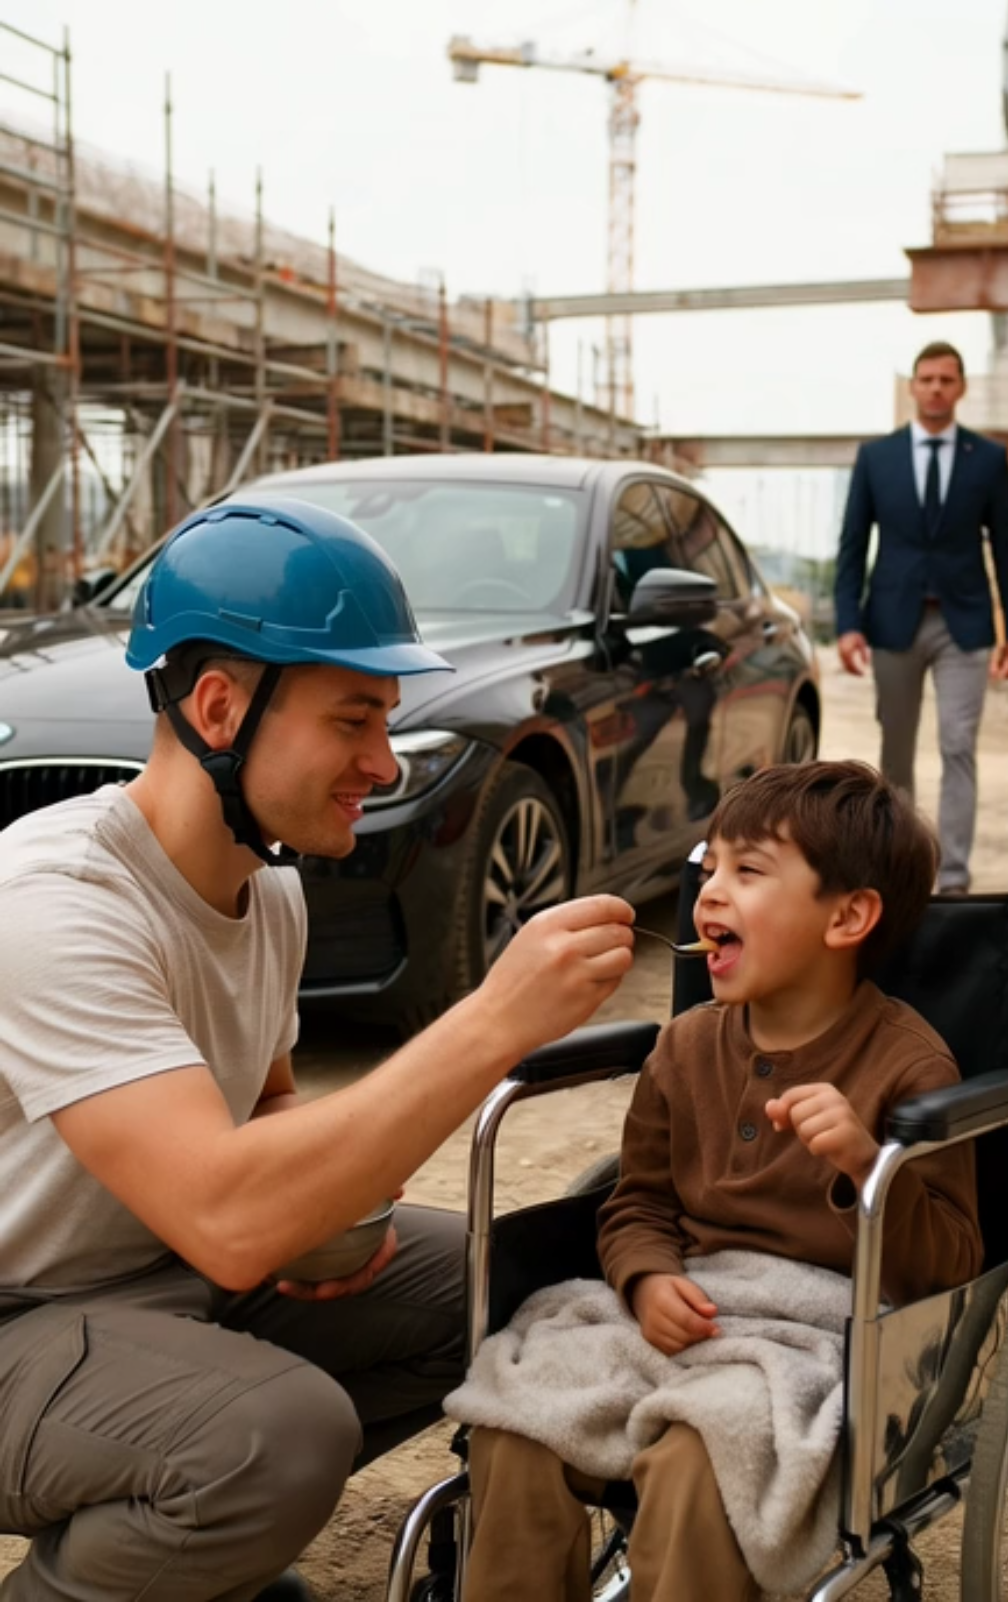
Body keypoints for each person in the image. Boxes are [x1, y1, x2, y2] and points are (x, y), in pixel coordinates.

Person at [0, 497, 635, 1601]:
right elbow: (229, 1219)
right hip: (21, 1318)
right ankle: (177, 1526)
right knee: (277, 1440)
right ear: (217, 707)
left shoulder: (270, 891)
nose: (383, 764)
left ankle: (194, 1555)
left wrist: (321, 1202)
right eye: (354, 721)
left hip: (171, 1278)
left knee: (519, 1286)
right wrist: (498, 1019)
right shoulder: (58, 901)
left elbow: (272, 1107)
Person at [453, 760, 983, 1602]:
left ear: (847, 916)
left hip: (826, 1331)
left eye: (749, 870)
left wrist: (864, 1160)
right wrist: (646, 1272)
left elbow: (955, 1264)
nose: (709, 892)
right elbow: (639, 1201)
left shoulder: (909, 1067)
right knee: (520, 1418)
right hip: (693, 1311)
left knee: (706, 1453)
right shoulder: (686, 1048)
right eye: (710, 866)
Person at [834, 341, 1008, 895]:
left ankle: (953, 880)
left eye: (947, 379)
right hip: (892, 623)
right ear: (913, 387)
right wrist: (848, 622)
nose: (936, 388)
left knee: (957, 744)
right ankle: (900, 871)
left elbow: (1006, 550)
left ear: (961, 388)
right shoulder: (877, 458)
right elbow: (852, 546)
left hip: (963, 625)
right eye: (927, 379)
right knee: (895, 749)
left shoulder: (988, 459)